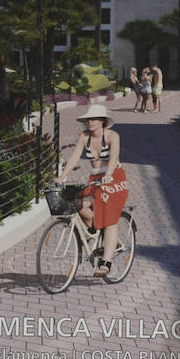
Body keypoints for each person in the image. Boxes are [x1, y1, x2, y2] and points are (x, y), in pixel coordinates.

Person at [56, 103, 128, 276]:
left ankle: (106, 263)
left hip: (114, 178)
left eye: (94, 118)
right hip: (95, 179)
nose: (90, 121)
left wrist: (109, 174)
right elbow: (74, 157)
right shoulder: (84, 136)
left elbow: (113, 157)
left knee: (110, 218)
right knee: (78, 204)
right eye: (88, 119)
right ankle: (104, 236)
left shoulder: (112, 136)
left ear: (102, 121)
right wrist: (62, 176)